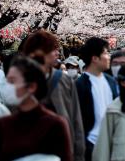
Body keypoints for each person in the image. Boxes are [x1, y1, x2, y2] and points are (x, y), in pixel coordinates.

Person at [0, 56, 72, 161]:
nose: (6, 86)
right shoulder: (2, 124)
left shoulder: (55, 124)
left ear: (32, 86)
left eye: (12, 81)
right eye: (7, 80)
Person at [21, 30, 85, 161]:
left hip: (63, 147)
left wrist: (78, 154)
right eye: (52, 49)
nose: (57, 53)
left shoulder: (64, 80)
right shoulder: (19, 80)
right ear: (37, 52)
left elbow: (75, 118)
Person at [76, 37, 118, 161]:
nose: (109, 56)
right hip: (91, 144)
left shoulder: (110, 81)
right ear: (94, 58)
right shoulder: (80, 85)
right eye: (105, 53)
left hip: (113, 143)